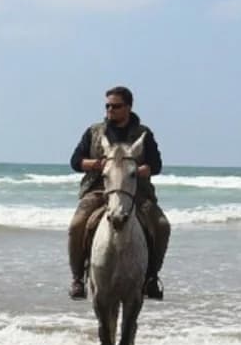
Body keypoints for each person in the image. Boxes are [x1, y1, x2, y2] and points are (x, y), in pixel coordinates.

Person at [68, 86, 171, 301]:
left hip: (135, 191)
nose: (109, 110)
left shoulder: (144, 134)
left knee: (162, 225)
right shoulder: (94, 132)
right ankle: (77, 278)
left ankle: (152, 277)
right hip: (99, 189)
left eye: (115, 106)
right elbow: (75, 161)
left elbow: (157, 164)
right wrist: (97, 164)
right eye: (107, 106)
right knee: (77, 224)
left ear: (128, 107)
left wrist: (144, 170)